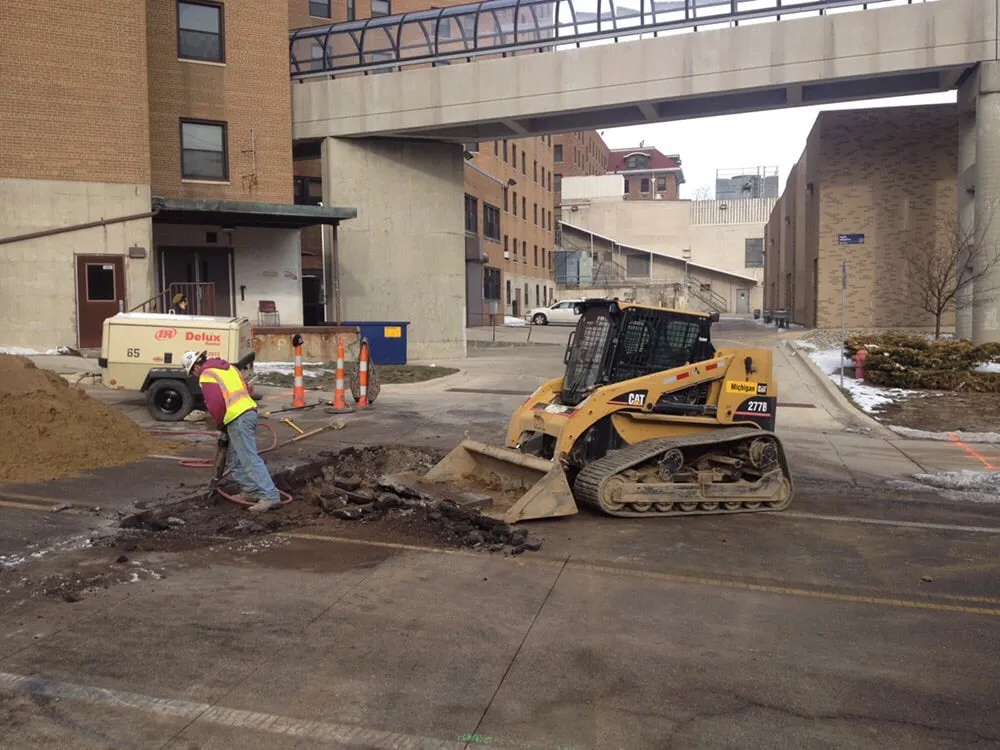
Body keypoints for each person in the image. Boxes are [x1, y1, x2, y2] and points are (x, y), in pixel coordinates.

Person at [182, 349, 282, 513]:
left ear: (194, 367)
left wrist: (221, 424)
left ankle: (270, 496)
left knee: (249, 458)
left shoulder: (207, 374)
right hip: (247, 413)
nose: (194, 376)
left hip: (238, 418)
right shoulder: (229, 368)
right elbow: (248, 390)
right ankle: (250, 490)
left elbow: (216, 404)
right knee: (235, 458)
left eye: (192, 373)